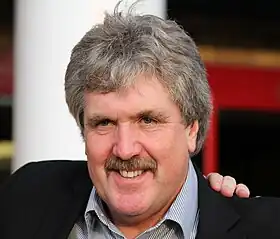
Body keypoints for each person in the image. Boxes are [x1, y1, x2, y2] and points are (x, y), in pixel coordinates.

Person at [1, 2, 279, 239]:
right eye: (104, 123)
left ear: (192, 129)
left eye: (147, 120)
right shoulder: (27, 196)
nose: (124, 149)